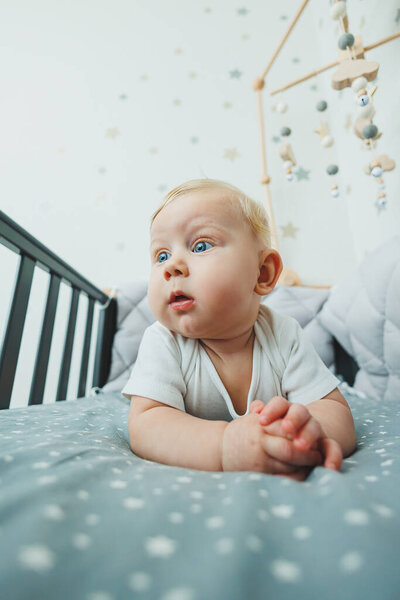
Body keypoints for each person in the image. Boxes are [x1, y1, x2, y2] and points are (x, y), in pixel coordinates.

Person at [122, 179, 357, 480]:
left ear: (263, 273)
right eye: (161, 255)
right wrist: (225, 446)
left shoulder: (284, 335)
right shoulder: (163, 340)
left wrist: (306, 435)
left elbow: (331, 407)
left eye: (200, 245)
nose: (171, 267)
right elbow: (147, 424)